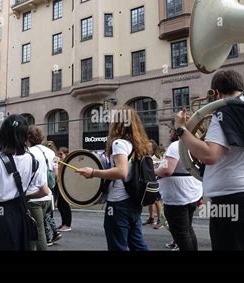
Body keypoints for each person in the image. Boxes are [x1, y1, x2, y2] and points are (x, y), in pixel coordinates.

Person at [175, 70, 244, 251]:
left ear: (216, 92)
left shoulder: (224, 112)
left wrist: (181, 130)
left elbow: (209, 155)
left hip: (233, 198)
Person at [76, 107, 150, 251]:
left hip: (119, 202)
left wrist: (93, 172)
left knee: (117, 245)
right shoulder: (138, 144)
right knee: (137, 244)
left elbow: (122, 172)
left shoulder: (119, 143)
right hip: (134, 200)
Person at [0, 114, 48, 250]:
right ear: (25, 136)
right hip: (21, 217)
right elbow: (45, 191)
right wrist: (25, 196)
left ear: (3, 135)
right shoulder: (33, 160)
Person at [154, 128, 202, 251]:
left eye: (171, 131)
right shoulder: (194, 144)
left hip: (177, 196)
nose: (169, 133)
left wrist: (152, 171)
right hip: (191, 193)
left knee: (181, 233)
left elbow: (167, 170)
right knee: (187, 230)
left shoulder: (177, 145)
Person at [27, 126, 62, 247]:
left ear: (29, 138)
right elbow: (55, 173)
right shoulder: (51, 152)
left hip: (34, 196)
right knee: (39, 227)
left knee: (36, 230)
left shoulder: (29, 152)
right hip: (48, 194)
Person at [142, 140, 164, 229]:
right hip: (150, 182)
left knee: (157, 201)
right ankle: (151, 218)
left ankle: (161, 220)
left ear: (153, 148)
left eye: (149, 146)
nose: (146, 147)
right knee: (151, 200)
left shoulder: (156, 158)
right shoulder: (148, 157)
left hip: (156, 182)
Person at [56, 147, 72, 232]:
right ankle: (64, 223)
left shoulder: (67, 163)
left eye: (61, 154)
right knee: (60, 204)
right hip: (61, 187)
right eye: (59, 154)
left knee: (64, 205)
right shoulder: (61, 163)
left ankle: (67, 224)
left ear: (66, 154)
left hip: (66, 187)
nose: (60, 156)